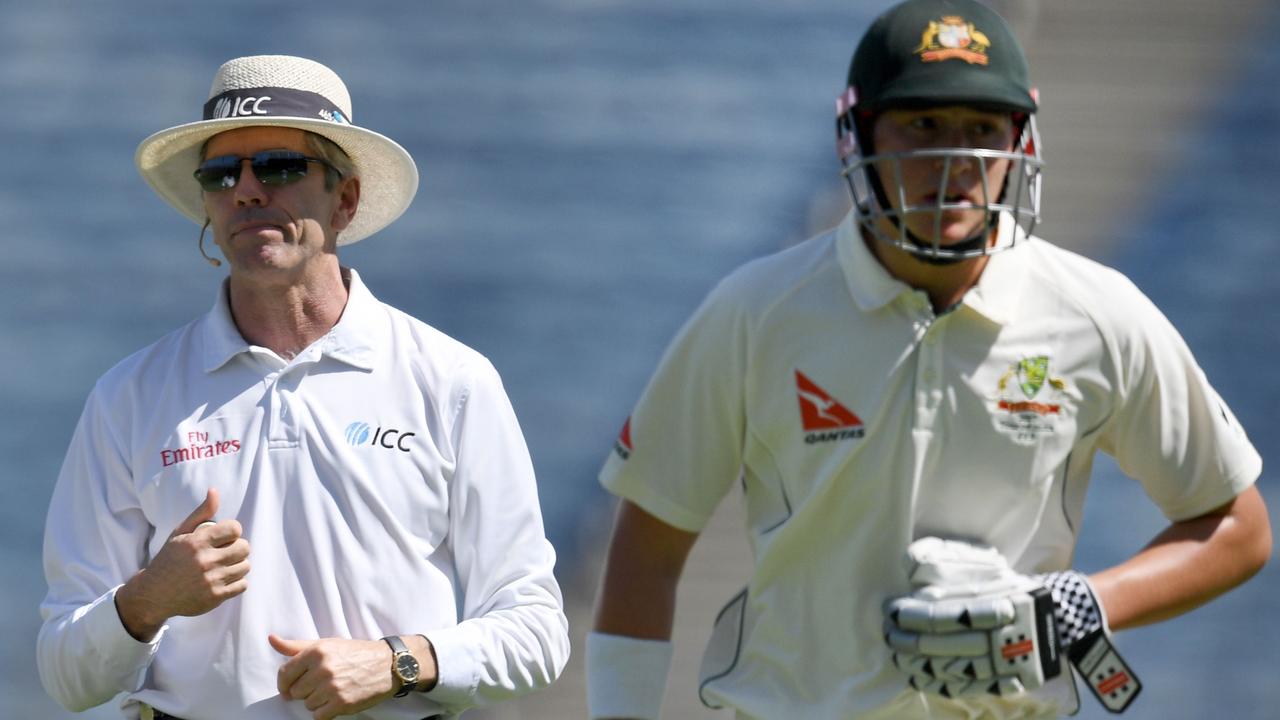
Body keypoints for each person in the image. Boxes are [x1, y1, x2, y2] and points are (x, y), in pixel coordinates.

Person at [585, 1, 1271, 718]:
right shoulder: (757, 312)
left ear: (1020, 141)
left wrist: (1079, 607)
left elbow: (1238, 526)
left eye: (981, 129)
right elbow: (649, 548)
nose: (956, 161)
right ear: (856, 135)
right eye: (923, 126)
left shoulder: (1095, 313)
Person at [38, 55, 568, 720]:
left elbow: (537, 630)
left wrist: (399, 662)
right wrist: (147, 600)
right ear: (207, 201)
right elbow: (64, 673)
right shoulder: (128, 396)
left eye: (281, 167)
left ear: (344, 200)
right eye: (222, 174)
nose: (249, 190)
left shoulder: (450, 380)